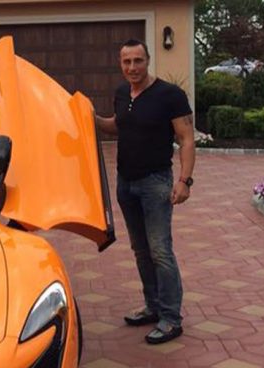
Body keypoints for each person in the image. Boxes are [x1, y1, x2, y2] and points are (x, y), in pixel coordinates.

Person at [96, 39, 195, 344]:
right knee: (141, 250)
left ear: (148, 60)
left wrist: (184, 181)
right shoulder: (121, 93)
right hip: (126, 183)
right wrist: (91, 118)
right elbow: (118, 125)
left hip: (156, 183)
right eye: (127, 62)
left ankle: (171, 318)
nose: (132, 67)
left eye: (138, 60)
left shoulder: (170, 95)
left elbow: (186, 139)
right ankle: (153, 307)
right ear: (120, 64)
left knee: (160, 250)